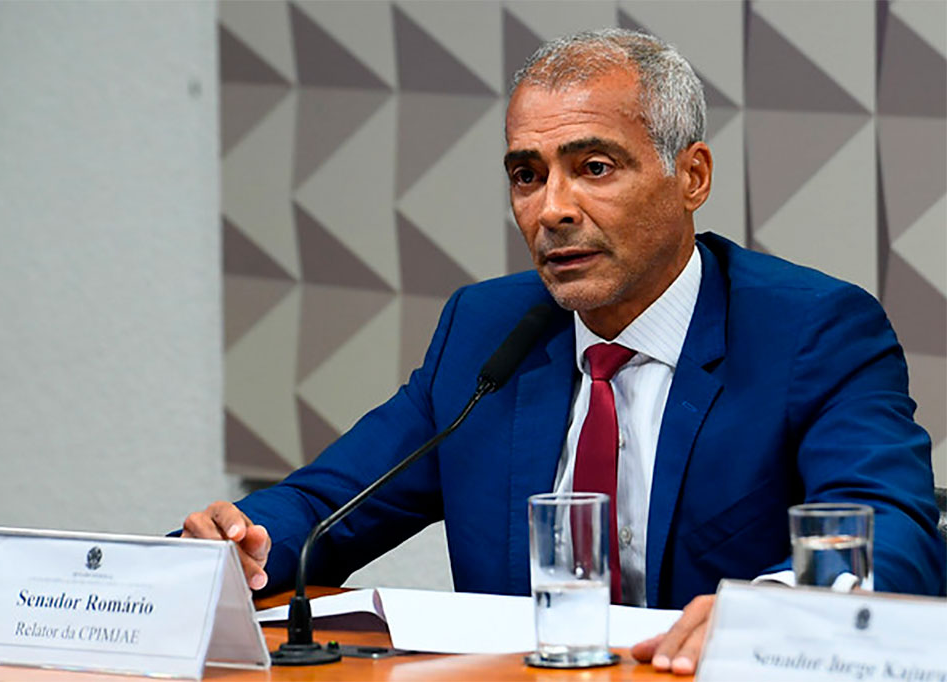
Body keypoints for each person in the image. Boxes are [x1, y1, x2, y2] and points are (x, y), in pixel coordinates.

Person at [182, 29, 945, 674]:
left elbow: (895, 532)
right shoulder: (488, 330)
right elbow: (324, 506)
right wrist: (237, 546)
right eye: (527, 174)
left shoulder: (811, 330)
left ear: (692, 176)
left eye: (594, 168)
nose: (552, 209)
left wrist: (774, 612)